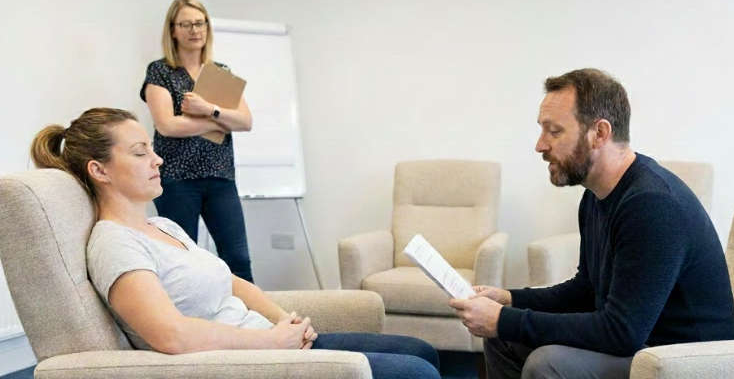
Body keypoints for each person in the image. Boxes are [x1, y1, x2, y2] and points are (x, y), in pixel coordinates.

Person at [30, 108, 441, 379]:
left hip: (275, 343)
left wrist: (287, 323)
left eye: (152, 150)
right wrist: (272, 342)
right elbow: (170, 336)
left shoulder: (165, 226)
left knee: (422, 351)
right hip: (251, 361)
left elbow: (232, 282)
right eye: (140, 153)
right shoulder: (114, 245)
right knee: (416, 372)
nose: (157, 160)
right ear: (100, 170)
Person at [449, 68, 734, 379]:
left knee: (546, 362)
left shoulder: (652, 205)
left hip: (688, 363)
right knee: (503, 340)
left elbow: (621, 330)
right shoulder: (596, 196)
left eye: (554, 131)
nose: (540, 145)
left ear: (600, 133)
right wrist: (508, 300)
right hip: (644, 348)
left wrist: (504, 319)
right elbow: (586, 290)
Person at [141, 0, 254, 282]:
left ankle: (255, 323)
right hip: (177, 179)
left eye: (200, 23)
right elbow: (166, 125)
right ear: (173, 30)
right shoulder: (161, 71)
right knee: (182, 259)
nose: (195, 30)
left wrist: (208, 110)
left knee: (237, 258)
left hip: (220, 176)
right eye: (186, 24)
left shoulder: (220, 72)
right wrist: (219, 120)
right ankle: (188, 323)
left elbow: (245, 121)